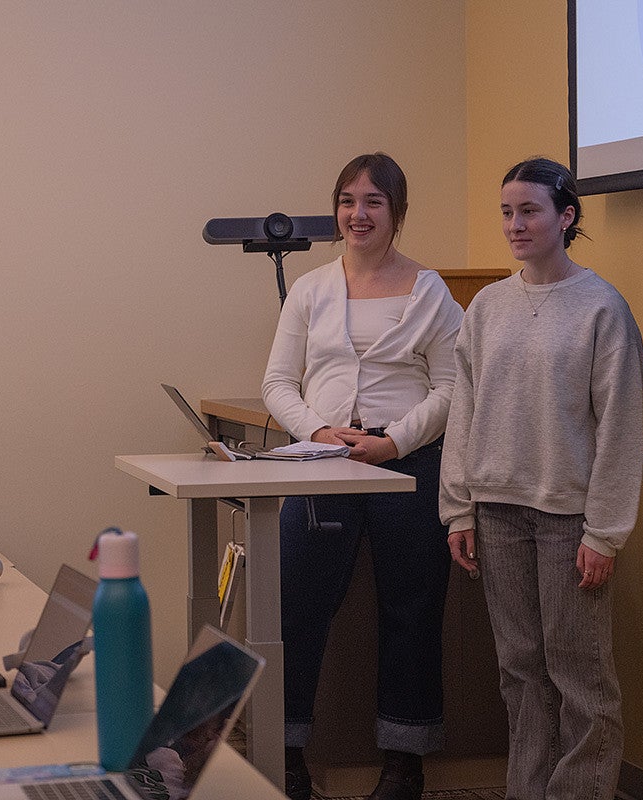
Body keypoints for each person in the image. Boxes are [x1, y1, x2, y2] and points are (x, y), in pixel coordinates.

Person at [439, 156, 643, 800]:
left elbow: (619, 427)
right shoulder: (489, 308)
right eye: (507, 212)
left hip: (568, 520)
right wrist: (459, 509)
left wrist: (605, 533)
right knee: (521, 670)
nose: (515, 224)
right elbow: (463, 410)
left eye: (529, 210)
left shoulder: (602, 308)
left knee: (578, 673)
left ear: (567, 215)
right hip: (497, 511)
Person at [262, 152, 463, 800]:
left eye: (374, 201)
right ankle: (286, 751)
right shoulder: (313, 290)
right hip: (323, 463)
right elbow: (277, 383)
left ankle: (406, 762)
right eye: (348, 200)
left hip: (408, 465)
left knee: (411, 609)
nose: (358, 213)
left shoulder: (430, 291)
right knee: (296, 606)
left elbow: (455, 387)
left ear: (397, 213)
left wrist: (396, 440)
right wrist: (320, 433)